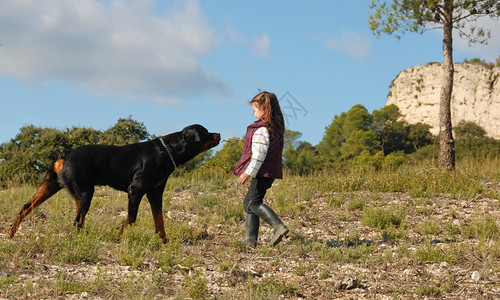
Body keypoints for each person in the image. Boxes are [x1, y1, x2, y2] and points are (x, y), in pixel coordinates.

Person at [234, 91, 289, 248]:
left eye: (255, 110)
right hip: (268, 172)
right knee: (249, 203)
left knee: (253, 202)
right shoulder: (275, 128)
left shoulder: (262, 130)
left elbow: (258, 156)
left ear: (264, 109)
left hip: (261, 171)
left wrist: (247, 173)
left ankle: (278, 226)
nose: (254, 114)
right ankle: (250, 240)